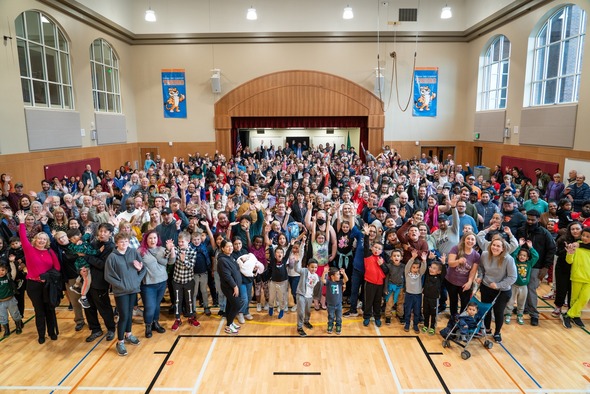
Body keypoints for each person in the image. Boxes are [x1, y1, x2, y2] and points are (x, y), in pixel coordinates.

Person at [17, 210, 60, 344]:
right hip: (33, 285)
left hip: (47, 284)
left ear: (47, 241)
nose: (41, 240)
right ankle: (41, 335)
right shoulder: (29, 250)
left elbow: (57, 268)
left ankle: (52, 332)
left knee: (49, 310)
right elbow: (23, 237)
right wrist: (22, 222)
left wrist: (46, 276)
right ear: (35, 240)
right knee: (39, 311)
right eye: (39, 238)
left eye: (44, 239)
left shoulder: (50, 251)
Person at [104, 233, 146, 356]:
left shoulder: (133, 252)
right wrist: (121, 285)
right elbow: (108, 276)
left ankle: (129, 335)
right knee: (123, 316)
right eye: (121, 242)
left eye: (126, 241)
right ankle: (120, 342)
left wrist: (137, 279)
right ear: (116, 243)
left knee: (129, 315)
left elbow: (143, 269)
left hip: (133, 289)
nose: (124, 244)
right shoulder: (112, 257)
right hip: (121, 292)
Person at [476, 236, 517, 343]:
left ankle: (497, 332)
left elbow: (513, 277)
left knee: (498, 312)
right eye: (493, 245)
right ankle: (487, 329)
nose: (495, 247)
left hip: (502, 290)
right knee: (486, 309)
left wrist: (498, 285)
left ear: (503, 248)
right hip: (486, 287)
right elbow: (481, 267)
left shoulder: (508, 259)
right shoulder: (484, 254)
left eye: (498, 246)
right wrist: (480, 276)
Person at [138, 230, 174, 338]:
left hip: (162, 282)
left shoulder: (162, 249)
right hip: (148, 284)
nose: (152, 240)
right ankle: (148, 326)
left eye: (154, 238)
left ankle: (155, 323)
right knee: (149, 306)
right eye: (150, 238)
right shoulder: (140, 251)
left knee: (157, 305)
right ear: (146, 239)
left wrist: (171, 249)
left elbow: (171, 262)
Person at [170, 231, 200, 331]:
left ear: (188, 241)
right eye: (179, 242)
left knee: (189, 300)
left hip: (188, 280)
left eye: (182, 242)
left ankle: (191, 317)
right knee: (177, 300)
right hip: (177, 280)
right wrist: (169, 248)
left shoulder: (192, 251)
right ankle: (177, 319)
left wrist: (184, 260)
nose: (180, 244)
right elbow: (167, 256)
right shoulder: (176, 249)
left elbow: (191, 266)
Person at [561, 227, 590, 329]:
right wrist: (570, 253)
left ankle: (568, 315)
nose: (585, 238)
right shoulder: (575, 245)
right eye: (583, 235)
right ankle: (575, 316)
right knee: (574, 299)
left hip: (589, 279)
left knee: (584, 299)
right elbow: (569, 261)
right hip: (577, 276)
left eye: (588, 236)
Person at [504, 240, 538, 325]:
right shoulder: (514, 262)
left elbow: (536, 256)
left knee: (521, 302)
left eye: (524, 256)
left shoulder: (529, 264)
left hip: (524, 286)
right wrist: (519, 246)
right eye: (520, 255)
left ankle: (520, 315)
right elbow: (513, 254)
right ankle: (508, 314)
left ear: (527, 257)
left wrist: (531, 248)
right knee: (510, 301)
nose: (522, 257)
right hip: (514, 285)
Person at [446, 233, 480, 317]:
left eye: (472, 239)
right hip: (451, 281)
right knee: (453, 301)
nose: (470, 241)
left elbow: (473, 271)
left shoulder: (476, 255)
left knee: (465, 303)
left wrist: (469, 282)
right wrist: (458, 261)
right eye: (468, 238)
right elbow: (450, 263)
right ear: (464, 240)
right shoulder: (456, 249)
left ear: (475, 242)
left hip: (464, 283)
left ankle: (462, 319)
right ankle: (453, 318)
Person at [361, 224, 389, 327]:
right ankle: (367, 316)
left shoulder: (382, 260)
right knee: (369, 301)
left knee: (378, 301)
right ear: (372, 248)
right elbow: (365, 245)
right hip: (369, 283)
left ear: (381, 251)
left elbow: (386, 272)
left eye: (379, 249)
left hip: (379, 284)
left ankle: (377, 317)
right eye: (375, 248)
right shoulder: (368, 256)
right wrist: (366, 235)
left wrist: (382, 265)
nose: (377, 250)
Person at [66, 228, 100, 309]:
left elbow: (86, 237)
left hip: (83, 264)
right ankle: (83, 297)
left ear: (80, 235)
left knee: (81, 277)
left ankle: (76, 286)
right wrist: (98, 251)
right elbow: (88, 252)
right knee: (87, 280)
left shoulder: (81, 241)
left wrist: (87, 234)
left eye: (76, 237)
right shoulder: (77, 246)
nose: (74, 240)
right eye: (72, 239)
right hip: (83, 265)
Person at [216, 239, 243, 335]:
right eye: (227, 246)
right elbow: (226, 276)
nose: (230, 248)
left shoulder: (230, 257)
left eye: (231, 246)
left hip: (234, 286)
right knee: (237, 305)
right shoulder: (222, 260)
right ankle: (228, 326)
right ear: (222, 248)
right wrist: (235, 286)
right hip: (229, 287)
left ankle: (230, 323)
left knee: (230, 304)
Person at [294, 257, 320, 337]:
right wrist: (297, 261)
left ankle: (306, 321)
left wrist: (315, 298)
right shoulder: (304, 271)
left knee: (307, 311)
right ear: (308, 266)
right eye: (312, 267)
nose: (314, 269)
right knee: (301, 312)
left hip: (309, 296)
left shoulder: (316, 276)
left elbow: (315, 287)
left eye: (315, 267)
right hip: (301, 295)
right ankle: (299, 327)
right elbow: (297, 269)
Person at [403, 250, 427, 333]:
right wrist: (412, 258)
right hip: (409, 295)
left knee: (417, 310)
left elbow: (423, 268)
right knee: (408, 310)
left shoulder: (419, 274)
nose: (416, 269)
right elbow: (407, 266)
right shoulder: (407, 273)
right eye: (414, 267)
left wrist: (424, 261)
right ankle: (407, 323)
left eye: (417, 267)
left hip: (418, 295)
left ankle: (415, 324)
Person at [422, 258, 445, 335]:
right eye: (431, 267)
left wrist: (444, 263)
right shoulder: (427, 274)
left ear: (439, 271)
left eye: (434, 268)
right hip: (426, 297)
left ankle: (432, 327)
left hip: (434, 299)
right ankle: (425, 325)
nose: (431, 269)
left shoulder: (439, 278)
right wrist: (429, 259)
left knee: (433, 313)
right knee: (425, 312)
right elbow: (426, 266)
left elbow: (444, 272)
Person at [0, 263, 24, 337]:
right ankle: (7, 330)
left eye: (3, 270)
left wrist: (11, 262)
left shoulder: (9, 277)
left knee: (15, 314)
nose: (1, 272)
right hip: (1, 303)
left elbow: (14, 271)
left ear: (6, 270)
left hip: (11, 300)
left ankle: (18, 326)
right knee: (3, 317)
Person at [322, 266, 348, 335]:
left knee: (339, 317)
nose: (339, 276)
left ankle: (338, 326)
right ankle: (330, 325)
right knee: (331, 316)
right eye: (337, 274)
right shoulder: (328, 282)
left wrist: (344, 273)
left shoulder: (339, 282)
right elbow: (323, 280)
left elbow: (346, 279)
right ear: (332, 276)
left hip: (339, 304)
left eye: (339, 274)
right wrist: (324, 273)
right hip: (330, 305)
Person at [383, 249, 405, 325]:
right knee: (389, 303)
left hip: (401, 288)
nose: (396, 257)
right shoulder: (389, 266)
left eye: (398, 256)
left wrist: (405, 288)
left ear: (401, 257)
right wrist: (385, 288)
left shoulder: (403, 267)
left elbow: (405, 278)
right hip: (391, 287)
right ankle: (388, 316)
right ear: (391, 257)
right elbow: (386, 278)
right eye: (394, 256)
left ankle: (400, 315)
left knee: (400, 303)